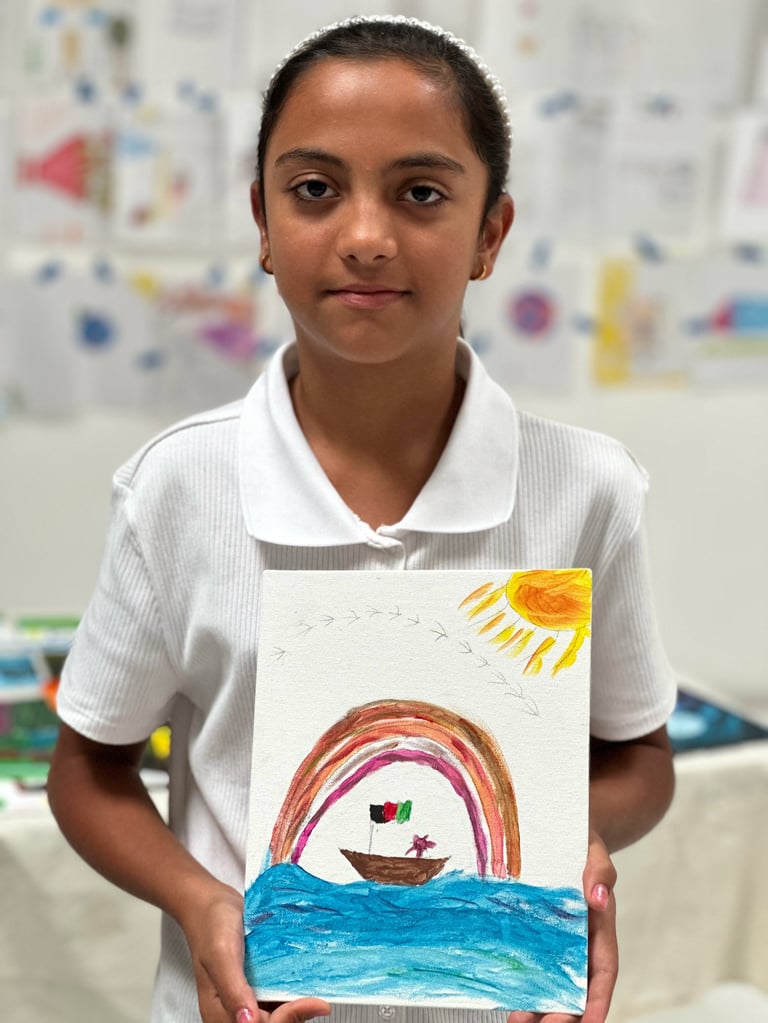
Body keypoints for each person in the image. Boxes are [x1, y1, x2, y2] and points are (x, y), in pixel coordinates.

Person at [47, 15, 676, 1023]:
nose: (367, 236)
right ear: (262, 222)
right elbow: (88, 768)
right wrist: (198, 900)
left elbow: (640, 757)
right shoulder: (178, 487)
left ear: (490, 233)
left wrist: (568, 838)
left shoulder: (587, 488)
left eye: (421, 193)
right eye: (314, 189)